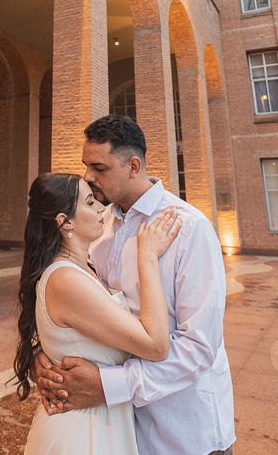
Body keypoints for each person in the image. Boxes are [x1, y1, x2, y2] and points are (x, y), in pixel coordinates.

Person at [38, 114, 236, 455]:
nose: (88, 177)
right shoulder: (98, 230)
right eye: (86, 166)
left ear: (133, 166)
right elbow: (84, 313)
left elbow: (200, 348)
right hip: (122, 432)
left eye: (99, 168)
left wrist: (107, 386)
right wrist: (46, 358)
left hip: (183, 431)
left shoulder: (188, 229)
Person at [13, 172, 182, 454]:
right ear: (64, 221)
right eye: (90, 202)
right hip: (82, 433)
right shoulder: (66, 280)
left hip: (105, 421)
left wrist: (38, 355)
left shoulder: (87, 265)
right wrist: (148, 258)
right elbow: (155, 344)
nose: (101, 208)